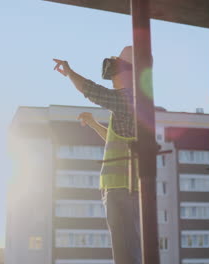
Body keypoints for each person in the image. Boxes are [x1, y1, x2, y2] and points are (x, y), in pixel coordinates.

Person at [53, 46, 141, 264]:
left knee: (126, 252)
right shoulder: (130, 104)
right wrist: (93, 124)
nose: (111, 74)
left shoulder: (128, 100)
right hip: (119, 189)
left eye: (117, 67)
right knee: (126, 248)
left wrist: (70, 72)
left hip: (122, 189)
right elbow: (116, 139)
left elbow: (93, 91)